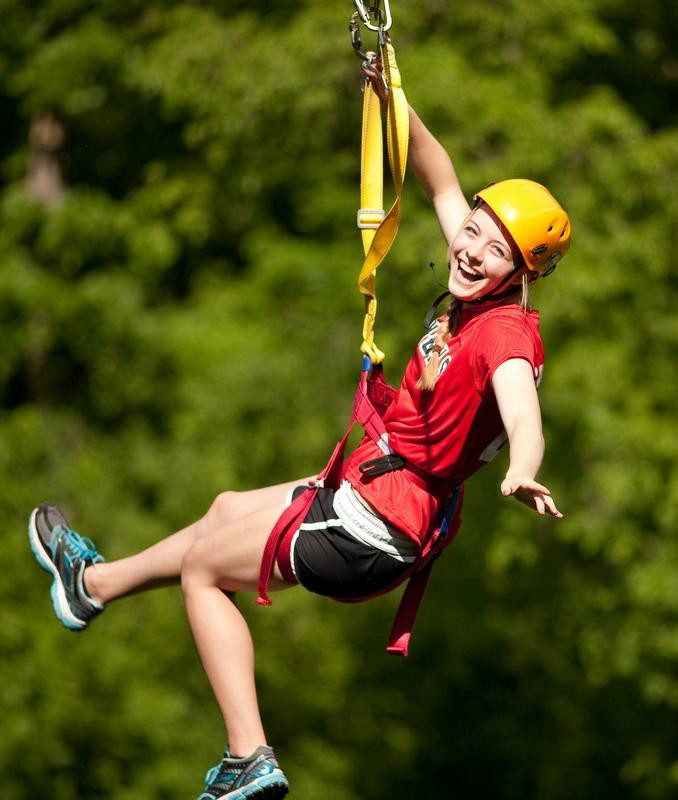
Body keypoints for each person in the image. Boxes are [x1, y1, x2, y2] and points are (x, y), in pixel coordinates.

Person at [27, 59, 570, 800]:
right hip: (374, 489)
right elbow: (441, 179)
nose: (471, 250)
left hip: (379, 522)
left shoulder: (504, 335)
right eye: (473, 233)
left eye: (494, 251)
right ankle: (89, 587)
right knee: (222, 509)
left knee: (202, 573)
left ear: (520, 274)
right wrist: (391, 96)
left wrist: (523, 466)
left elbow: (523, 411)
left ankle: (249, 755)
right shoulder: (473, 286)